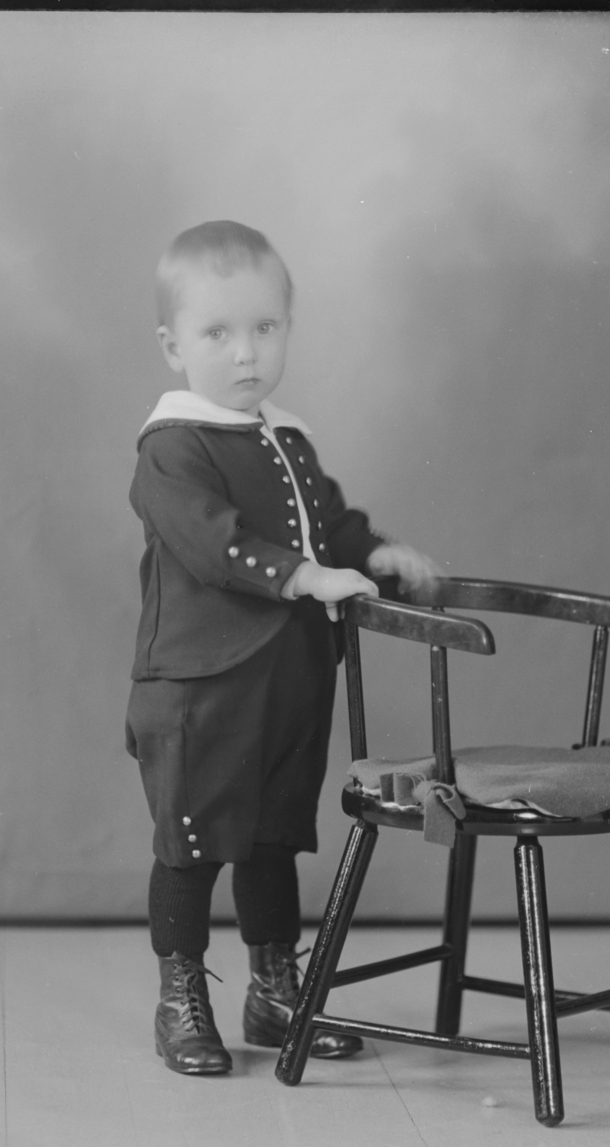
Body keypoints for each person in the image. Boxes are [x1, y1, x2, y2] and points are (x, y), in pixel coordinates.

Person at [125, 220, 439, 1075]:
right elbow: (213, 543)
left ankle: (273, 994)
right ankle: (180, 1000)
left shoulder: (284, 437)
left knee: (272, 841)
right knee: (191, 845)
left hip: (289, 679)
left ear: (287, 328)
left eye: (264, 327)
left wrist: (375, 554)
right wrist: (304, 576)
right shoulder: (171, 446)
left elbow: (326, 524)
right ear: (172, 346)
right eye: (217, 333)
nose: (245, 353)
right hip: (199, 687)